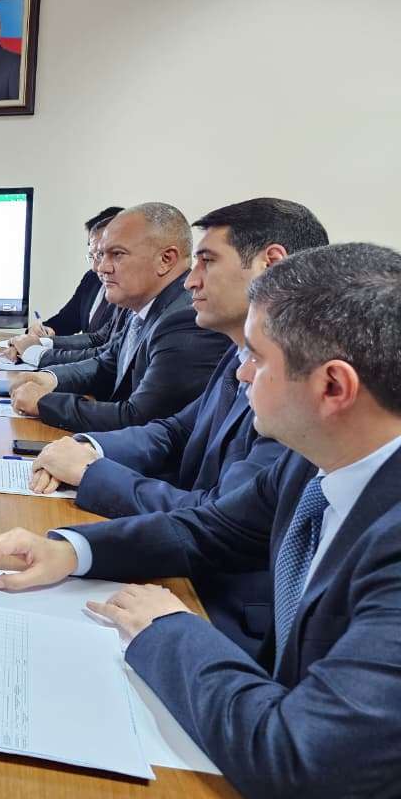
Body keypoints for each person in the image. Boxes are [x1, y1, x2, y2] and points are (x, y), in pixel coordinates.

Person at [0, 243, 401, 799]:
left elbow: (302, 765)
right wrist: (72, 550)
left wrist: (168, 630)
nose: (239, 372)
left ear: (332, 388)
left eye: (255, 357)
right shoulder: (319, 458)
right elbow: (213, 528)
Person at [28, 198, 328, 652]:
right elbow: (174, 431)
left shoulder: (301, 388)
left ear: (270, 264)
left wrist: (91, 472)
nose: (189, 280)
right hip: (177, 561)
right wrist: (88, 448)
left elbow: (222, 519)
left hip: (224, 610)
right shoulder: (239, 354)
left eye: (207, 261)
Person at [9, 203, 232, 431]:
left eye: (117, 254)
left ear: (166, 259)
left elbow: (138, 418)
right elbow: (107, 364)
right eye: (100, 255)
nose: (102, 268)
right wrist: (50, 378)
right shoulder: (139, 305)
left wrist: (44, 402)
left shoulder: (185, 319)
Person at [9, 206, 122, 366]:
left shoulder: (132, 297)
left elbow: (103, 350)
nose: (98, 267)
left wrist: (35, 352)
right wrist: (39, 335)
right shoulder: (92, 278)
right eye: (95, 255)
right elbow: (69, 321)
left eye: (107, 254)